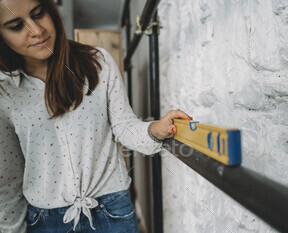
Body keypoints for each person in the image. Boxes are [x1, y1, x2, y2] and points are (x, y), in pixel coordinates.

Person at [0, 0, 192, 232]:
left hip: (112, 212)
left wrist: (154, 130)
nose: (36, 30)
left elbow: (124, 126)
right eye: (16, 26)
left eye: (38, 14)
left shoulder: (97, 62)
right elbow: (8, 179)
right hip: (45, 222)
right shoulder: (5, 93)